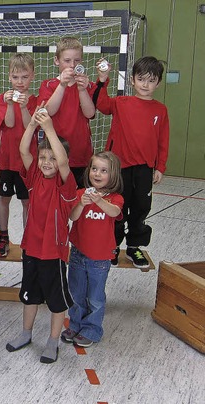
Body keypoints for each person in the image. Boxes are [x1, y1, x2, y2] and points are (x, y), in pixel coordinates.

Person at [6, 107, 77, 364]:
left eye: (52, 158)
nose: (47, 162)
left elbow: (64, 162)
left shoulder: (65, 183)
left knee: (56, 301)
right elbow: (24, 150)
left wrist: (49, 129)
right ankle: (26, 334)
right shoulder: (35, 178)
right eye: (43, 157)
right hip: (31, 249)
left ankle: (52, 341)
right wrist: (33, 125)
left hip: (53, 253)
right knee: (30, 295)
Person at [95, 56, 169, 269]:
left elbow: (163, 141)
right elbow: (101, 104)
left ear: (158, 83)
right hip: (120, 169)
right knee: (117, 208)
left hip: (144, 169)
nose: (145, 84)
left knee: (141, 208)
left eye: (151, 80)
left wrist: (160, 167)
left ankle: (135, 247)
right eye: (141, 79)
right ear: (132, 81)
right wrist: (103, 79)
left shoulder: (160, 110)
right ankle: (113, 246)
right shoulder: (121, 103)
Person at [63, 151, 124, 348]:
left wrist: (99, 201)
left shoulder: (115, 198)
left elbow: (115, 212)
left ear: (112, 175)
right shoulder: (82, 194)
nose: (97, 174)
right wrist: (82, 203)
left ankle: (92, 329)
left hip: (100, 259)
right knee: (76, 293)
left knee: (95, 298)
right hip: (78, 254)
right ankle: (75, 324)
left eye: (103, 171)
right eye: (94, 169)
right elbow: (72, 217)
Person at [0, 53, 38, 258]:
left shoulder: (36, 100)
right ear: (9, 77)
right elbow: (9, 123)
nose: (20, 82)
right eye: (15, 77)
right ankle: (3, 236)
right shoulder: (3, 99)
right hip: (5, 159)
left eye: (24, 77)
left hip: (27, 161)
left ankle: (28, 239)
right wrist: (11, 104)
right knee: (3, 198)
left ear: (32, 77)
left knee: (27, 201)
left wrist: (24, 106)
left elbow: (32, 125)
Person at [38, 37, 97, 186]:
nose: (72, 65)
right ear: (57, 61)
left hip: (81, 152)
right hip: (54, 153)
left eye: (77, 61)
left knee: (80, 198)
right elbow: (48, 111)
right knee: (56, 197)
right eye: (67, 60)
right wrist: (62, 85)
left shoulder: (87, 85)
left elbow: (90, 113)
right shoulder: (48, 85)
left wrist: (82, 90)